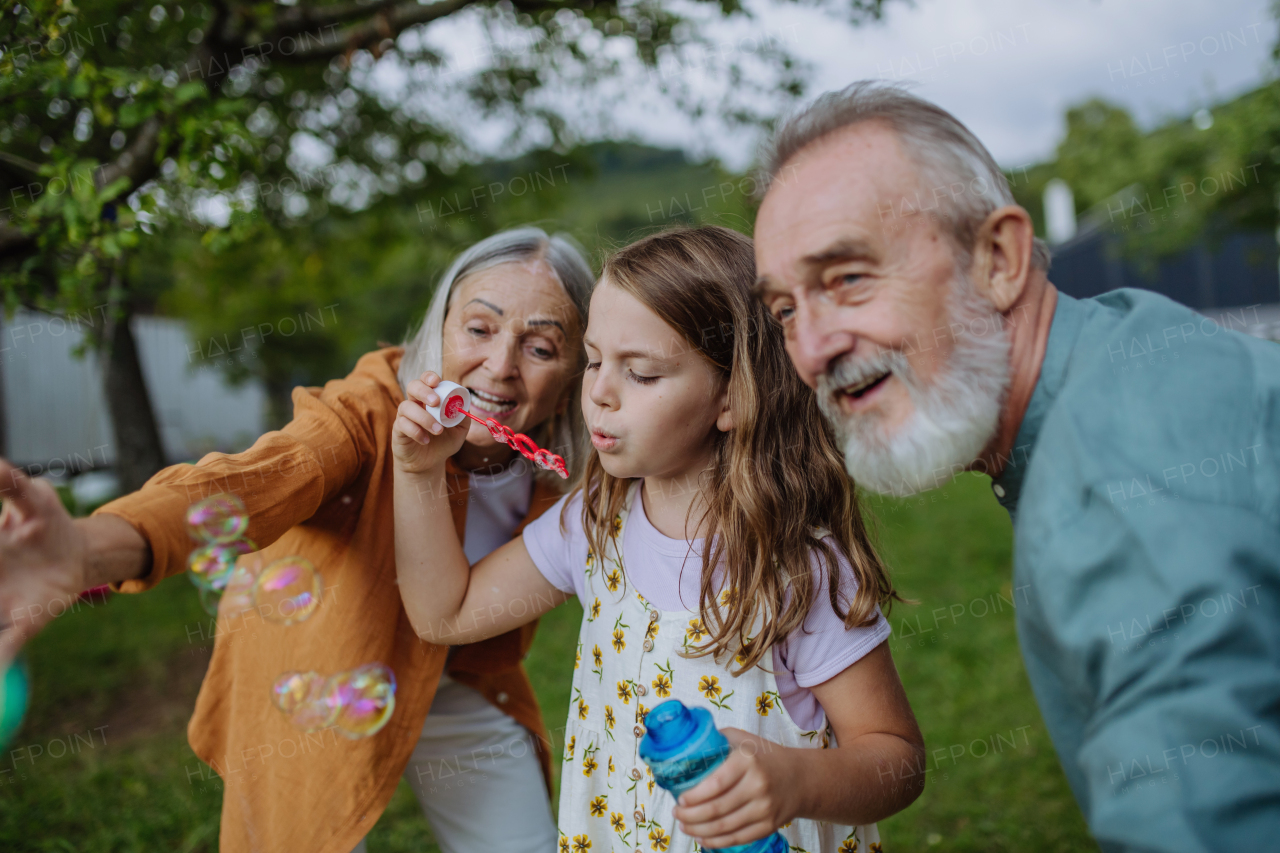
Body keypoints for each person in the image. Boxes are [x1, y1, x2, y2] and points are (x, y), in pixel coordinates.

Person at [751, 81, 1280, 850]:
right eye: (785, 311)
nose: (811, 349)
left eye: (849, 278)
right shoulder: (1123, 346)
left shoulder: (1106, 484)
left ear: (998, 257)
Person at [0, 226, 593, 853]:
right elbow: (250, 483)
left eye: (540, 347)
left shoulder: (569, 470)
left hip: (461, 680)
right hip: (316, 677)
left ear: (577, 372)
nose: (499, 366)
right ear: (439, 331)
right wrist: (86, 548)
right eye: (479, 329)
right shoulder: (367, 414)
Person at [391, 225, 925, 853]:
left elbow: (897, 760)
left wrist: (795, 780)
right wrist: (419, 470)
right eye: (593, 360)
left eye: (640, 373)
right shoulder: (593, 522)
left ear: (731, 399)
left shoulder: (795, 570)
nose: (599, 394)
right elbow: (444, 612)